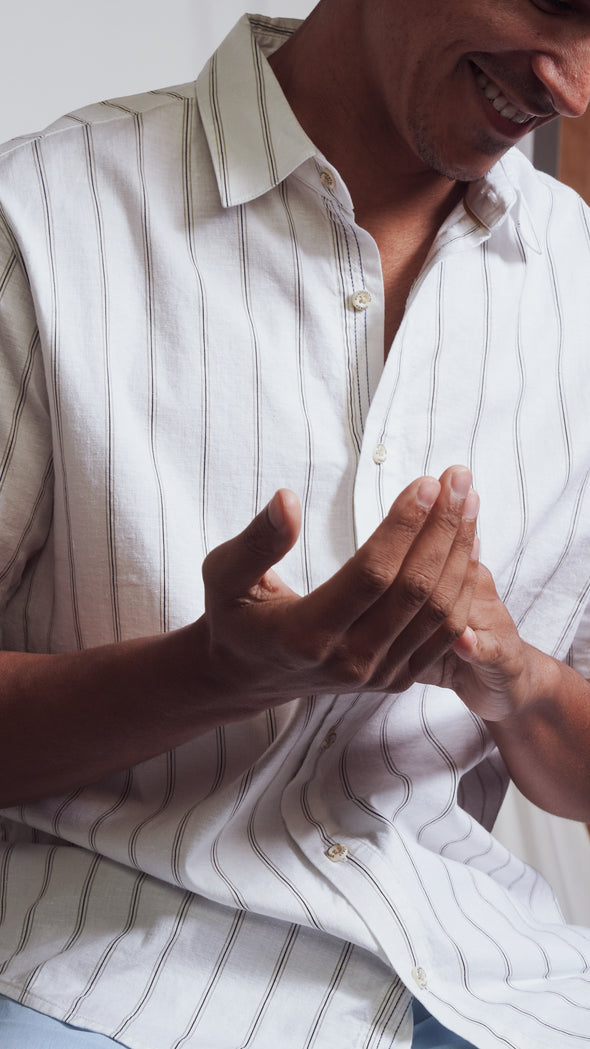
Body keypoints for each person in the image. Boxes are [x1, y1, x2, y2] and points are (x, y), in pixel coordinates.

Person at [1, 0, 590, 1046]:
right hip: (94, 984)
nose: (574, 88)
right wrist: (211, 674)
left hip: (492, 995)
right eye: (558, 7)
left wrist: (519, 682)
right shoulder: (42, 215)